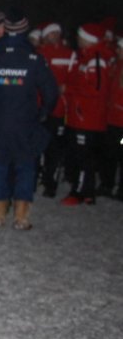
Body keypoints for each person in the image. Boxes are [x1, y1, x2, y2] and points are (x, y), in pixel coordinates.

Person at [0, 12, 57, 229]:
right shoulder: (34, 60)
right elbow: (51, 92)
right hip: (25, 122)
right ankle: (21, 216)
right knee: (25, 166)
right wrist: (43, 111)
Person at [60, 23, 112, 206]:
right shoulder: (86, 58)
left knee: (83, 157)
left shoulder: (95, 60)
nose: (78, 39)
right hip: (81, 116)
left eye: (81, 36)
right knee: (82, 156)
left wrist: (70, 89)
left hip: (88, 118)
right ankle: (86, 191)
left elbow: (97, 89)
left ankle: (80, 192)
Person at [37, 22, 74, 197]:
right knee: (36, 146)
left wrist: (68, 86)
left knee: (54, 147)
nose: (53, 36)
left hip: (59, 108)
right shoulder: (39, 53)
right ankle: (35, 178)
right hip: (39, 106)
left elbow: (76, 78)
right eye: (50, 34)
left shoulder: (69, 54)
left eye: (55, 33)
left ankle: (50, 182)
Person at [105, 37, 123, 201]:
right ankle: (107, 184)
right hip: (112, 120)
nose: (117, 51)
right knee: (110, 152)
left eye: (120, 49)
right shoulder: (116, 65)